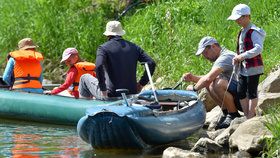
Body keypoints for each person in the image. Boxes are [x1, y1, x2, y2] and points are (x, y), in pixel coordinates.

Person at [79, 20, 156, 100]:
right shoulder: (134, 47)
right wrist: (141, 84)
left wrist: (103, 89)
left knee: (84, 78)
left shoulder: (103, 48)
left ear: (107, 35)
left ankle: (86, 107)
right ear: (121, 33)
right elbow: (151, 63)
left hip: (110, 94)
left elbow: (98, 66)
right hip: (132, 93)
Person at [182, 36, 242, 129]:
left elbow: (208, 78)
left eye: (206, 53)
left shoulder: (225, 57)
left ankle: (233, 114)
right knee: (211, 84)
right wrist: (193, 78)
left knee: (218, 84)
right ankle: (226, 113)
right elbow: (209, 78)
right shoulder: (221, 57)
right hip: (237, 92)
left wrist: (194, 90)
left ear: (213, 46)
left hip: (243, 95)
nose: (205, 57)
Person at [228, 4, 266, 119]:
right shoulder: (242, 31)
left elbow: (258, 48)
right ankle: (247, 115)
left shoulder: (254, 32)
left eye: (239, 18)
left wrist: (242, 56)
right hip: (243, 67)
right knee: (241, 92)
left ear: (247, 16)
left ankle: (250, 116)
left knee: (251, 92)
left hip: (253, 67)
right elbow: (241, 48)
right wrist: (237, 57)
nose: (237, 21)